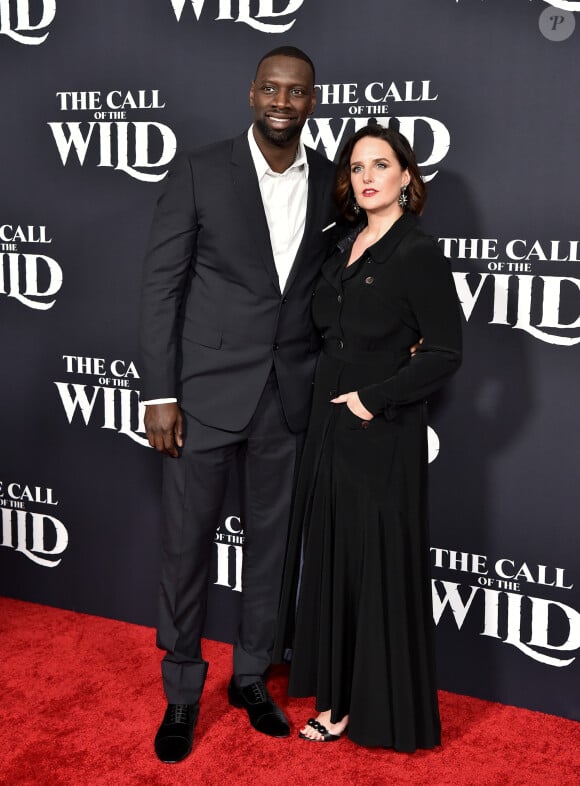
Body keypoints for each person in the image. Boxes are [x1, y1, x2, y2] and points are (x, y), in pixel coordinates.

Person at [139, 46, 337, 763]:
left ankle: (252, 675)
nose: (284, 101)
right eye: (272, 88)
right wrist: (160, 392)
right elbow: (162, 286)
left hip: (288, 395)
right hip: (204, 396)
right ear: (252, 94)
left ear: (313, 100)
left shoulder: (331, 182)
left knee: (273, 551)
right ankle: (183, 690)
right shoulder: (199, 168)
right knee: (185, 548)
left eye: (299, 91)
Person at [273, 125, 462, 751]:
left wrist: (373, 399)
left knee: (375, 566)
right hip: (328, 426)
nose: (368, 176)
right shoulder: (341, 244)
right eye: (357, 168)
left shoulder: (417, 252)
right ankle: (337, 698)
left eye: (382, 164)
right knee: (332, 562)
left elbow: (444, 352)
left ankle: (378, 710)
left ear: (407, 176)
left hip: (381, 430)